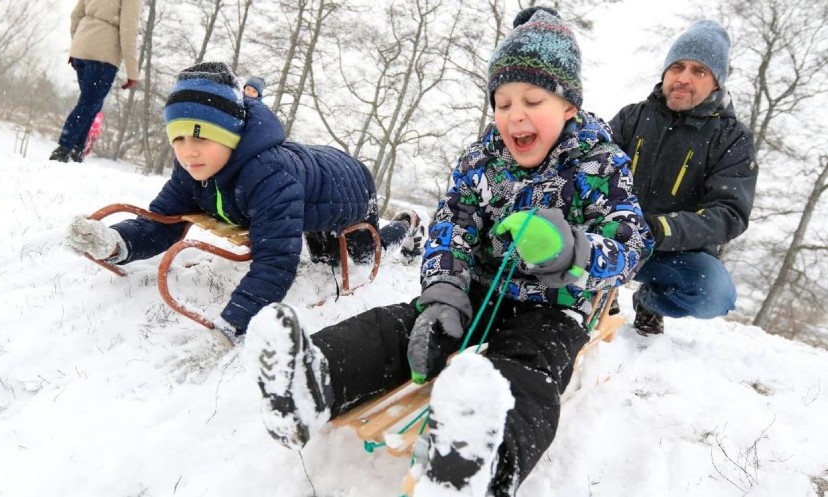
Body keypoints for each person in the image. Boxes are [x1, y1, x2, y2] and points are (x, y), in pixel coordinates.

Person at [244, 8, 652, 497]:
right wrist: (443, 292)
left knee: (528, 371)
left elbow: (633, 241)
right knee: (402, 327)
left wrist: (576, 249)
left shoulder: (601, 163)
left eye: (532, 99)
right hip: (477, 290)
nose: (514, 114)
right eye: (501, 102)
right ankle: (312, 381)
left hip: (554, 307)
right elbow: (451, 226)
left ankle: (485, 463)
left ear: (568, 106)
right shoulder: (480, 160)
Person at [62, 62, 424, 343]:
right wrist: (114, 242)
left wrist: (233, 324)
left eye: (202, 137)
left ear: (231, 135)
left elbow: (275, 263)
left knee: (356, 257)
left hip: (350, 189)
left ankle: (405, 226)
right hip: (308, 189)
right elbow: (162, 222)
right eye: (179, 138)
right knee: (320, 253)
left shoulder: (269, 175)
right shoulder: (193, 169)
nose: (188, 152)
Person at [609, 20, 757, 335]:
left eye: (699, 71)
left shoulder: (732, 139)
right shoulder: (631, 117)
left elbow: (729, 213)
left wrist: (662, 229)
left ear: (716, 83)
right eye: (677, 67)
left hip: (670, 251)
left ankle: (649, 301)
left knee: (714, 293)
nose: (684, 78)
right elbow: (593, 172)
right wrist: (613, 222)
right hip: (613, 236)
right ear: (665, 72)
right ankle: (597, 287)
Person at [49, 0, 142, 163]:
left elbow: (76, 15)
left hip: (82, 48)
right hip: (103, 53)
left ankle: (77, 150)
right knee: (88, 103)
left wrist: (77, 45)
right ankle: (63, 148)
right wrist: (132, 71)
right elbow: (128, 30)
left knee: (92, 103)